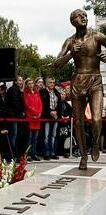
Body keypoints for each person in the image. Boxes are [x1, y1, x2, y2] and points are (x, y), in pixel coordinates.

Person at [54, 9, 106, 169]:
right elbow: (56, 64)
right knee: (78, 122)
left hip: (95, 80)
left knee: (97, 119)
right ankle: (83, 156)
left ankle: (95, 144)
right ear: (73, 21)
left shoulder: (97, 36)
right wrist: (70, 54)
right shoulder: (69, 41)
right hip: (77, 82)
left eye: (85, 15)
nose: (84, 18)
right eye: (80, 16)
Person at [40, 77, 61, 160]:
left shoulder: (56, 92)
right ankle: (46, 153)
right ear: (46, 83)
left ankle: (52, 152)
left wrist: (57, 113)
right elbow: (43, 105)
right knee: (46, 135)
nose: (52, 84)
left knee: (53, 136)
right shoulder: (42, 92)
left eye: (53, 82)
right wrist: (50, 112)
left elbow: (59, 104)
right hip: (46, 116)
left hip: (55, 116)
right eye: (50, 82)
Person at [23, 78, 42, 161]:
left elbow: (40, 104)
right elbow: (27, 104)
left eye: (32, 83)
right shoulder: (25, 93)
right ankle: (28, 154)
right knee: (29, 138)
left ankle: (34, 153)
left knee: (35, 138)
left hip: (37, 118)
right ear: (26, 85)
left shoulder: (37, 93)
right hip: (30, 117)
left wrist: (39, 113)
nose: (31, 85)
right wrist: (34, 113)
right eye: (29, 83)